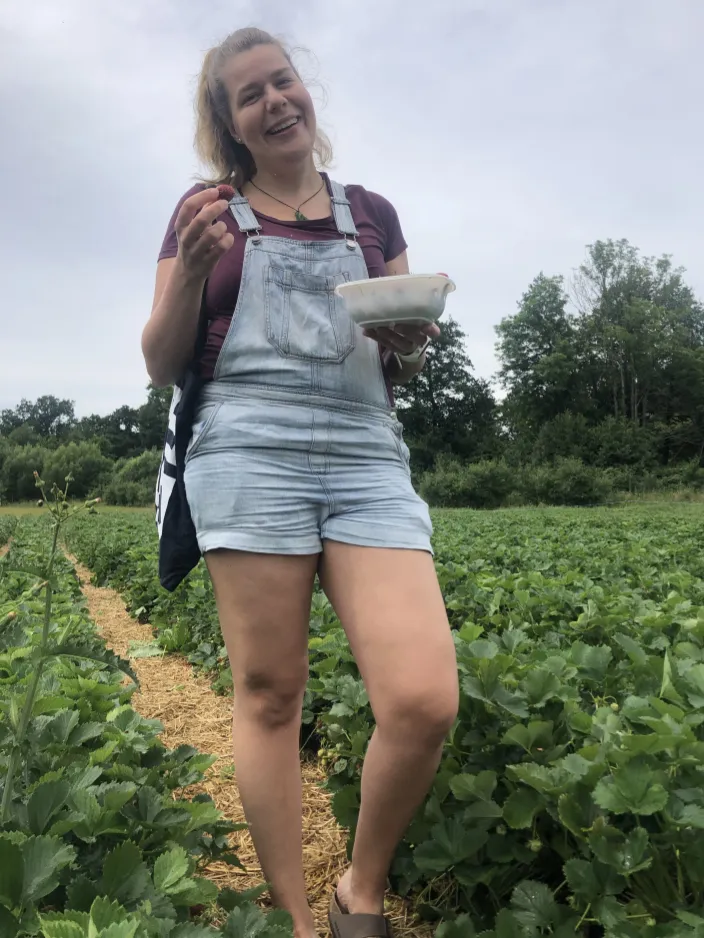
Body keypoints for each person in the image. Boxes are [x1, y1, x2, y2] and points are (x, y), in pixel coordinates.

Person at [142, 27, 459, 938]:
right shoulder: (203, 214)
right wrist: (192, 276)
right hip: (244, 448)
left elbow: (399, 363)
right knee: (271, 693)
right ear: (230, 125)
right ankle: (294, 918)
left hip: (364, 452)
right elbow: (163, 363)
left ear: (304, 92)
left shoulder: (372, 214)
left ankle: (362, 887)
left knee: (423, 697)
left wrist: (407, 347)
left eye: (283, 82)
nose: (276, 100)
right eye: (250, 95)